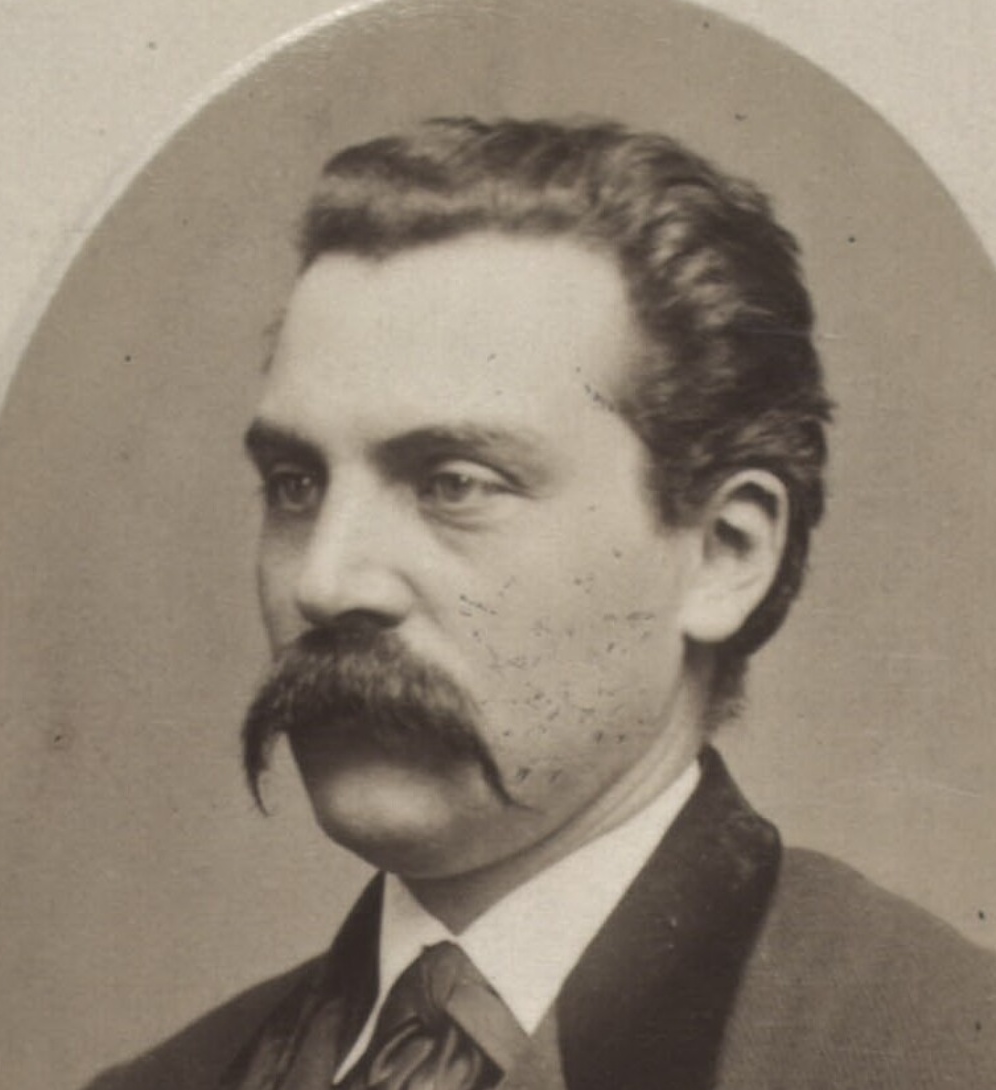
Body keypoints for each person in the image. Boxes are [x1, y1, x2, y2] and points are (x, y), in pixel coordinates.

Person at [87, 117, 995, 1090]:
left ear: (722, 553)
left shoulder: (935, 1051)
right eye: (295, 485)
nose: (325, 581)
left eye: (453, 483)